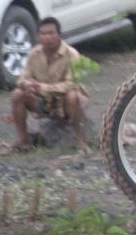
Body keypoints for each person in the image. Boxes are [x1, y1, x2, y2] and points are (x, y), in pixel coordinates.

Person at [8, 17, 89, 154]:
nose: (47, 37)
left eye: (51, 33)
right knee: (17, 94)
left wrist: (42, 88)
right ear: (38, 36)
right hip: (43, 102)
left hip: (66, 102)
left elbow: (71, 84)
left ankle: (82, 142)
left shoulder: (72, 54)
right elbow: (22, 78)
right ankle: (23, 142)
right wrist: (27, 84)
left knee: (73, 96)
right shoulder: (34, 53)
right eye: (43, 33)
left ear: (59, 35)